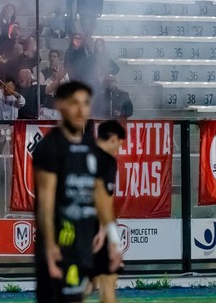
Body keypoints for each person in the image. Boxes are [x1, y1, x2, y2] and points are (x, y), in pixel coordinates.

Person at [33, 82, 123, 303]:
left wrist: (113, 240)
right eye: (74, 103)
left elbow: (102, 198)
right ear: (60, 105)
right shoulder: (50, 148)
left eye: (86, 103)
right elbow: (45, 203)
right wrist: (50, 246)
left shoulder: (92, 150)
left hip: (84, 244)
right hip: (59, 244)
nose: (81, 110)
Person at [91, 121, 126, 303]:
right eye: (120, 143)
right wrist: (109, 236)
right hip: (95, 227)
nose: (120, 147)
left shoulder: (80, 155)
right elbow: (104, 200)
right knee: (107, 279)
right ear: (113, 139)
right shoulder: (107, 161)